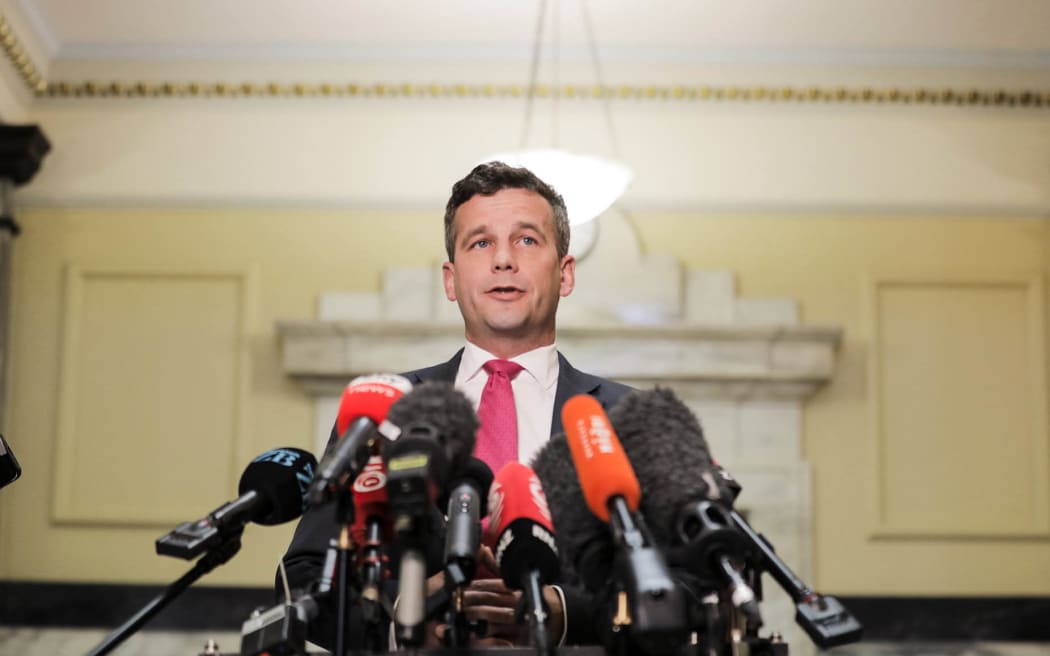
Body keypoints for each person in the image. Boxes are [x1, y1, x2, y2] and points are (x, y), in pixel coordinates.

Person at [280, 161, 632, 649]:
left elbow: (681, 585)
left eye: (527, 240)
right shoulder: (386, 410)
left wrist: (558, 611)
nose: (503, 260)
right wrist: (404, 614)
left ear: (565, 273)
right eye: (480, 243)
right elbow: (305, 575)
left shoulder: (624, 418)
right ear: (450, 279)